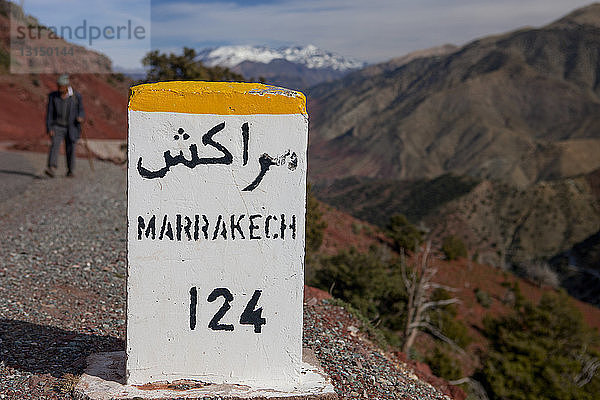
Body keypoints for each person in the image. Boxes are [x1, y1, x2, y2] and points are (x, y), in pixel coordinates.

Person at [45, 74, 85, 178]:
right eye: (58, 86)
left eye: (61, 86)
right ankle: (51, 168)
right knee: (55, 146)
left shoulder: (76, 96)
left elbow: (81, 110)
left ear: (67, 86)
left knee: (70, 148)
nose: (59, 88)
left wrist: (80, 117)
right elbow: (49, 113)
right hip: (57, 126)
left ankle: (70, 170)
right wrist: (49, 128)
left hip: (71, 127)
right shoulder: (53, 96)